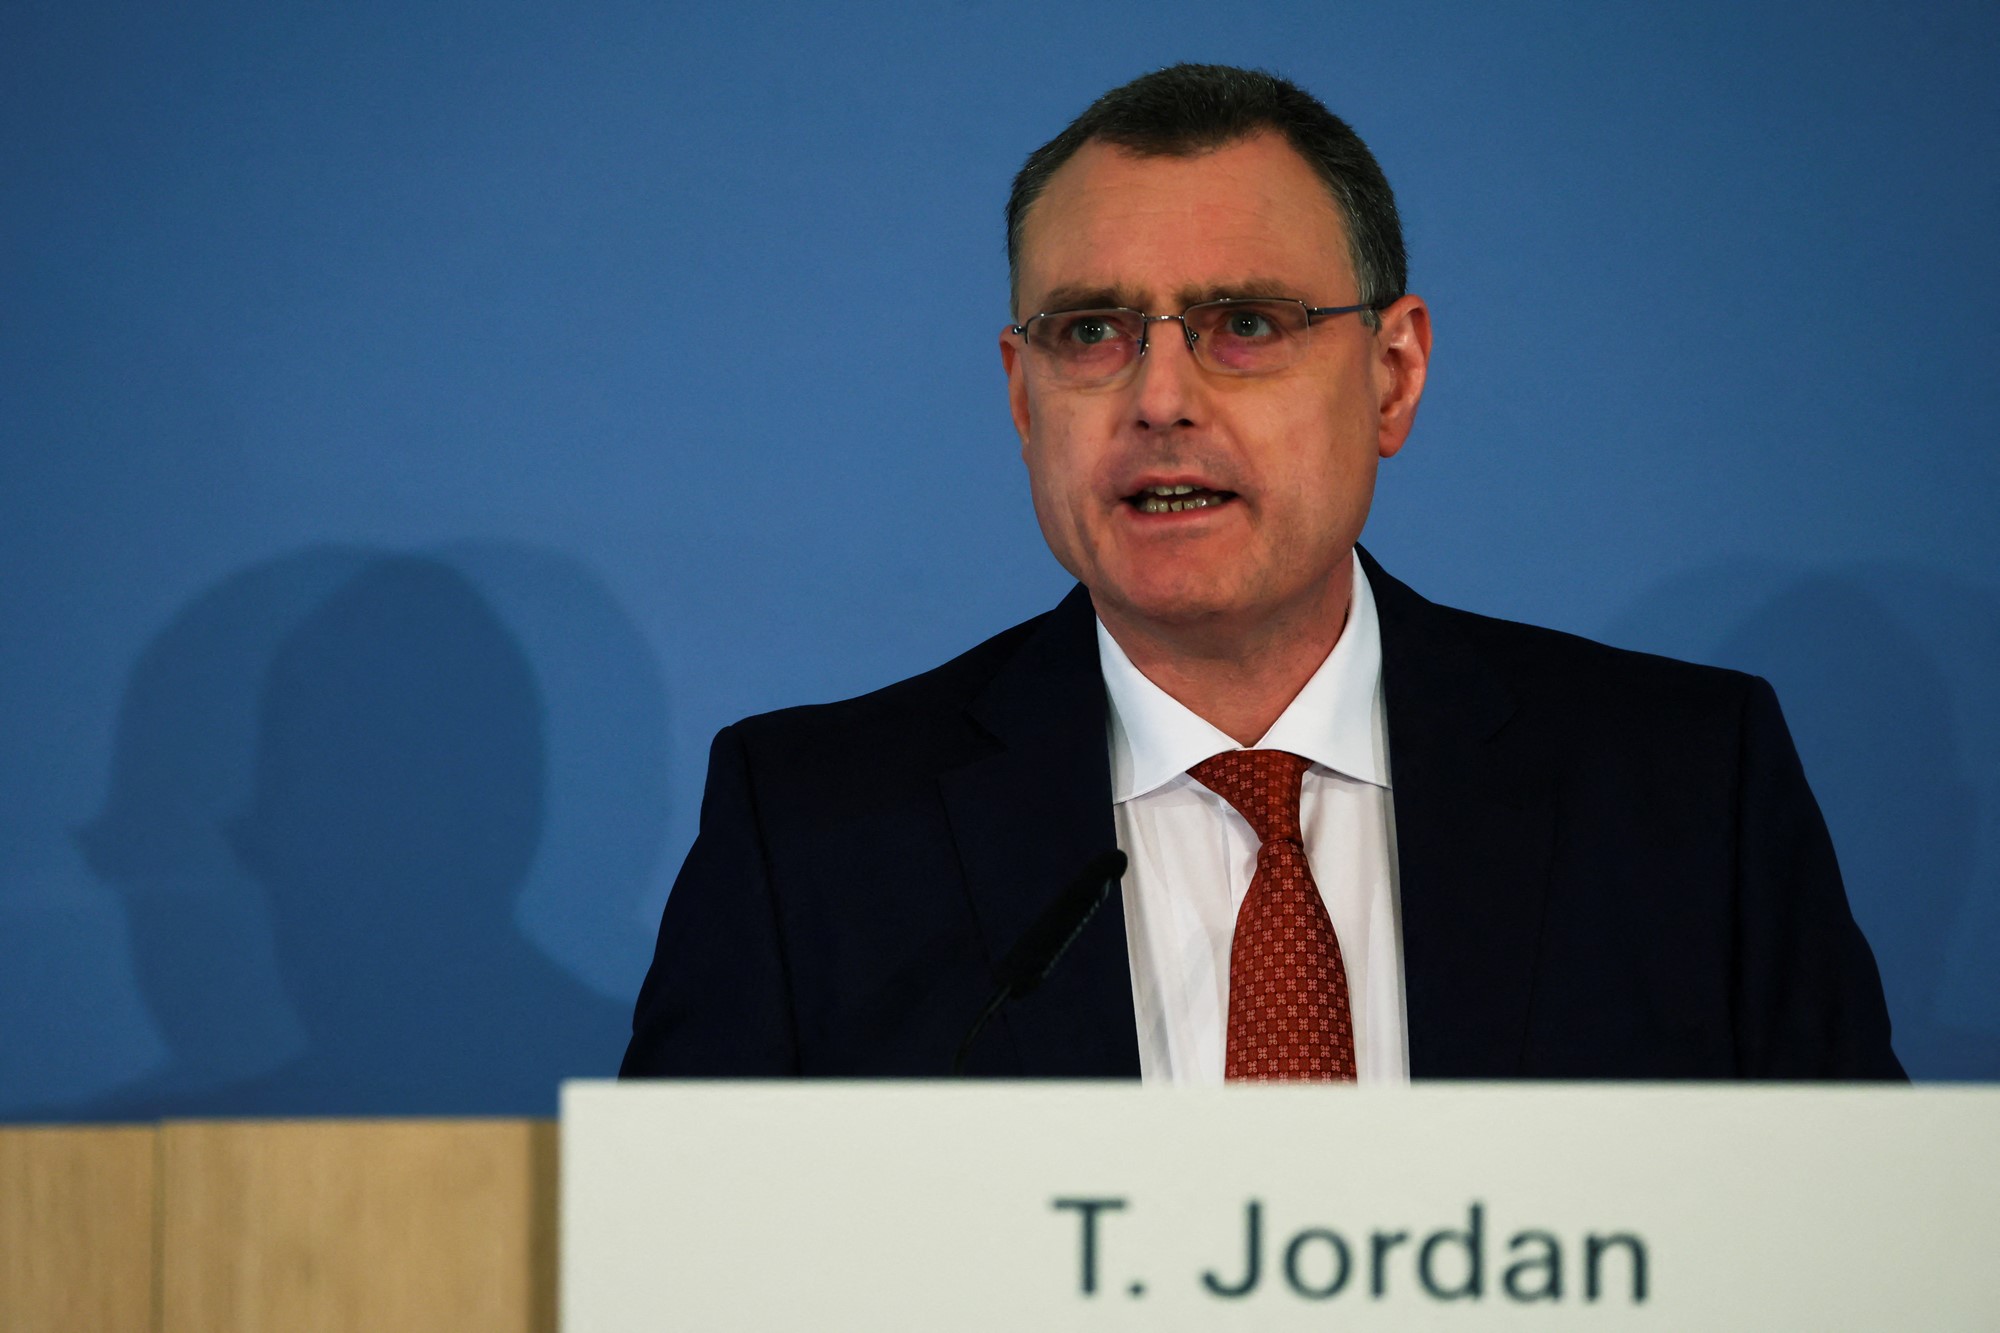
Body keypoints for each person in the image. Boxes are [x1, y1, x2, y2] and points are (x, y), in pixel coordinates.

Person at [621, 63, 1903, 1083]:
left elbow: (1858, 1261)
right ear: (1020, 397)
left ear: (1392, 373)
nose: (1159, 398)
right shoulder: (815, 835)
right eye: (1089, 332)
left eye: (1245, 325)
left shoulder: (1683, 790)